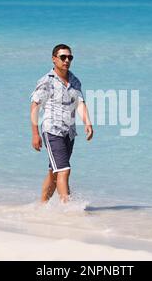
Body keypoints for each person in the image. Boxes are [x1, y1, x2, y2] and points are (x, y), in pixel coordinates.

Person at [30, 44, 93, 204]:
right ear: (54, 59)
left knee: (55, 172)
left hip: (68, 133)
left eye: (69, 57)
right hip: (52, 131)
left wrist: (88, 123)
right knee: (65, 170)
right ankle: (68, 210)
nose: (66, 60)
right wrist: (35, 134)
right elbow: (35, 106)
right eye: (63, 57)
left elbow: (80, 103)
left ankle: (41, 206)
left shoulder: (74, 80)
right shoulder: (46, 81)